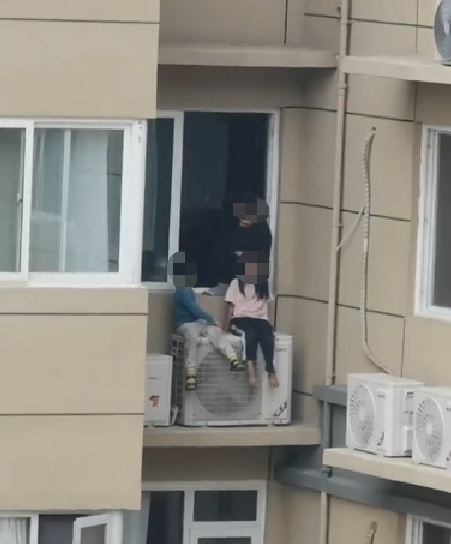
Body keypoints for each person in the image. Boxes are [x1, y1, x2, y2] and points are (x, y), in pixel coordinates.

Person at [171, 253, 243, 391]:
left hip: (196, 322)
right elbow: (194, 309)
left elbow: (197, 312)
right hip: (184, 324)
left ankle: (232, 357)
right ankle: (190, 371)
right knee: (192, 335)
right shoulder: (181, 291)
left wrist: (210, 323)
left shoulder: (190, 290)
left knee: (213, 331)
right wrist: (211, 318)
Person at [225, 251, 279, 389]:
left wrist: (268, 323)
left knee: (268, 336)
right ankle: (250, 368)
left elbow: (266, 307)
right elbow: (230, 305)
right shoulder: (236, 283)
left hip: (259, 318)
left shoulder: (263, 284)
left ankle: (271, 371)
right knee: (250, 335)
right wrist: (226, 326)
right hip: (240, 318)